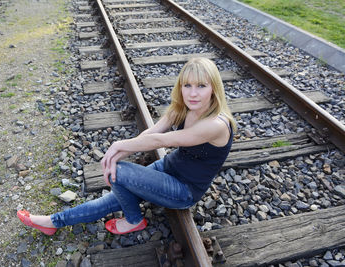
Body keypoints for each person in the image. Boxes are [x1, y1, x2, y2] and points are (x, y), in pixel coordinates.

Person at [17, 57, 237, 236]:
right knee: (111, 192)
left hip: (184, 191)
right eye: (187, 85)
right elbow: (150, 134)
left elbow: (161, 141)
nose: (192, 93)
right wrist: (119, 152)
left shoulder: (215, 125)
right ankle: (52, 222)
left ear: (214, 88)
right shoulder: (182, 107)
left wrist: (117, 147)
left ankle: (133, 220)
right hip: (167, 168)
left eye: (201, 86)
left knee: (117, 172)